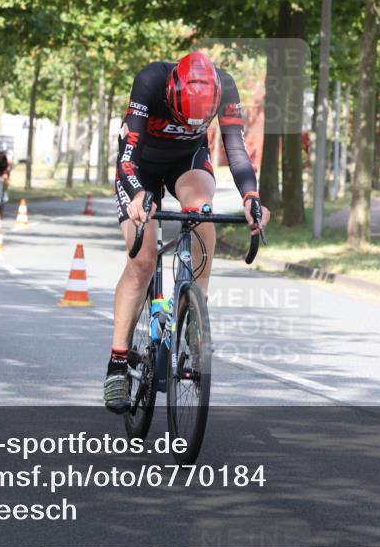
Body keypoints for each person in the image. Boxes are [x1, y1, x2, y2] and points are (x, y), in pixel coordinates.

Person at [104, 51, 270, 413]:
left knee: (201, 211)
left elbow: (236, 148)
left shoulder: (224, 85)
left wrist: (251, 197)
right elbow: (126, 155)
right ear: (173, 90)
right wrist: (136, 195)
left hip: (187, 161)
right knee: (143, 260)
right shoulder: (150, 80)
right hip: (141, 165)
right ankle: (118, 362)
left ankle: (196, 312)